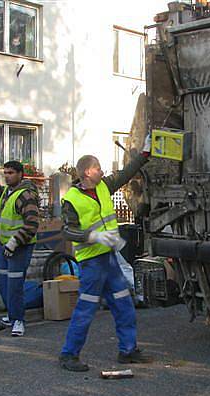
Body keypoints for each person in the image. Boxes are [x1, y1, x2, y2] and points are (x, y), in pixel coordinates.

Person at [59, 135, 152, 372]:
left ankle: (128, 350)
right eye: (98, 168)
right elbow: (68, 230)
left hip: (109, 259)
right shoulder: (71, 199)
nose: (102, 171)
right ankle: (69, 355)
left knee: (124, 304)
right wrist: (93, 236)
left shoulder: (102, 186)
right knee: (85, 309)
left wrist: (144, 154)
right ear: (87, 172)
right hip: (91, 262)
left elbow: (125, 174)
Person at [0, 161, 40, 337]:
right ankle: (12, 315)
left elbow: (32, 224)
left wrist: (14, 242)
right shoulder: (10, 191)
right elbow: (1, 192)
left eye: (11, 173)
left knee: (15, 285)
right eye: (5, 173)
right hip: (4, 246)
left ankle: (18, 320)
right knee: (2, 282)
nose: (7, 176)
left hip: (19, 247)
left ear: (20, 174)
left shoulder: (26, 195)